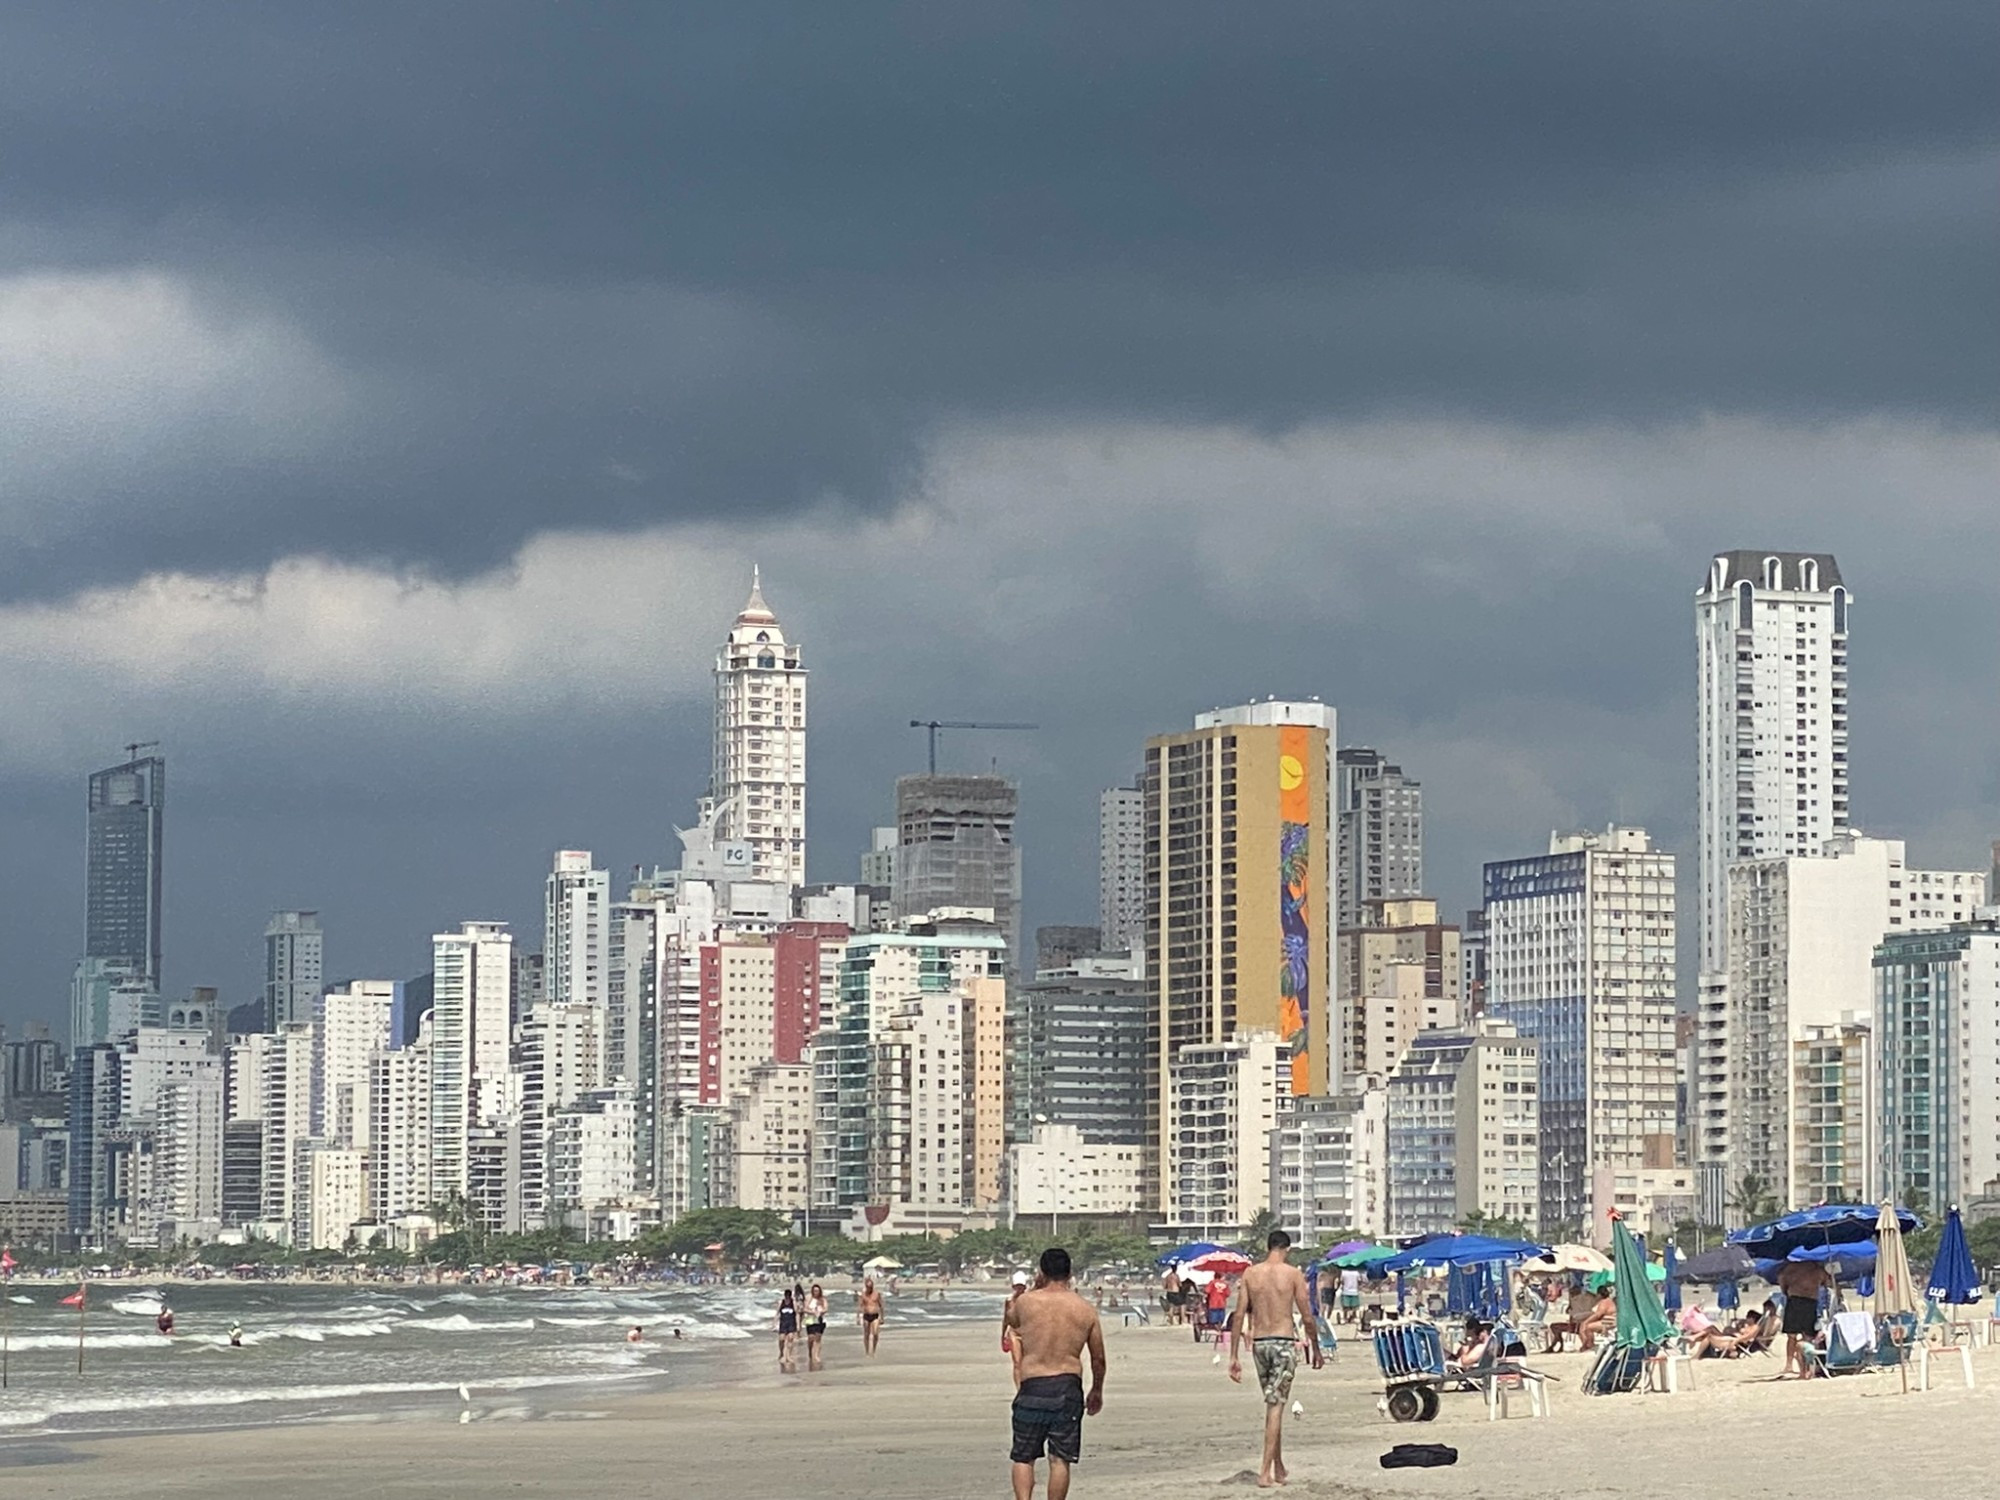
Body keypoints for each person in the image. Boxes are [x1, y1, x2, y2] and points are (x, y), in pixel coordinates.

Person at [1004, 1247, 1105, 1500]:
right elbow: (1098, 1358)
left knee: (1023, 1456)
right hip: (1067, 1386)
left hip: (1032, 1385)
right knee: (1060, 1458)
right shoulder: (1084, 1308)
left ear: (1041, 1271)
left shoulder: (1026, 1302)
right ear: (1070, 1273)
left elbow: (1012, 1321)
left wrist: (1035, 1288)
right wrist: (1097, 1390)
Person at [1227, 1230, 1321, 1491]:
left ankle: (1278, 1466)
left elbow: (1238, 1315)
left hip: (1259, 1345)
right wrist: (1316, 1346)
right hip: (1282, 1343)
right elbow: (1307, 1314)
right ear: (1287, 1249)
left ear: (1268, 1247)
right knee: (1276, 1407)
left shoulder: (1250, 1274)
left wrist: (1233, 1355)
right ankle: (1264, 1472)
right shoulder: (1292, 1274)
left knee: (1273, 1405)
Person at [1776, 1260, 1833, 1377]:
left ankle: (1801, 1365)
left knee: (1802, 1336)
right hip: (1802, 1301)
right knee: (1798, 1335)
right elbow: (1828, 1282)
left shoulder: (1796, 1267)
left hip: (1803, 1301)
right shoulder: (1814, 1268)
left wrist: (1785, 1290)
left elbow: (1781, 1278)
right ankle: (1792, 1365)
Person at [1001, 1270, 1032, 1384]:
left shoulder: (1030, 1299)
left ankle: (1027, 1385)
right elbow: (1006, 1319)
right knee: (1017, 1362)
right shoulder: (1009, 1301)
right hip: (1014, 1333)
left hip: (1028, 1333)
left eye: (1021, 1287)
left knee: (1028, 1362)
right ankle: (1019, 1389)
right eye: (1017, 1287)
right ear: (1013, 1287)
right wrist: (1003, 1335)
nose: (1019, 1289)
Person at [1579, 1286, 1616, 1351]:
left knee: (1588, 1327)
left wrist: (1586, 1322)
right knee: (1586, 1325)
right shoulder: (1608, 1301)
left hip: (1609, 1322)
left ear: (1599, 1294)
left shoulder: (1604, 1302)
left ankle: (1590, 1345)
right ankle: (1588, 1344)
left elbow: (1598, 1314)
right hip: (1609, 1320)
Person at [804, 1283, 829, 1372]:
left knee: (818, 1338)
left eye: (817, 1291)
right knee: (811, 1338)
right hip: (810, 1320)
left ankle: (816, 1355)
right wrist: (812, 1312)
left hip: (820, 1320)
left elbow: (826, 1308)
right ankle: (810, 1352)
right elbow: (804, 1308)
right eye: (814, 1290)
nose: (816, 1292)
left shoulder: (822, 1299)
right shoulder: (809, 1298)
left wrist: (821, 1312)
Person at [858, 1277, 884, 1355]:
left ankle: (873, 1350)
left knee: (875, 1333)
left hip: (875, 1315)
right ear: (866, 1286)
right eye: (868, 1287)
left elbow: (881, 1305)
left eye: (871, 1286)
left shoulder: (877, 1294)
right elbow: (860, 1306)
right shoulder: (863, 1295)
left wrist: (882, 1317)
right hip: (866, 1315)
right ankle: (867, 1351)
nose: (870, 1288)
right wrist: (857, 1317)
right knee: (866, 1334)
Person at [776, 1288, 799, 1372]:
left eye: (789, 1295)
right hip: (783, 1323)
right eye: (786, 1295)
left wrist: (798, 1325)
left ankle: (788, 1355)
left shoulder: (793, 1303)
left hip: (791, 1323)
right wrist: (774, 1323)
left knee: (790, 1339)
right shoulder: (781, 1302)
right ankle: (782, 1353)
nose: (787, 1296)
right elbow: (777, 1314)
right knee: (781, 1339)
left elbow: (796, 1314)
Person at [1204, 1275, 1231, 1347]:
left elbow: (1207, 1291)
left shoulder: (1212, 1282)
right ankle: (1220, 1332)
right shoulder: (1225, 1284)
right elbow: (1228, 1294)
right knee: (1221, 1321)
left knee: (1213, 1321)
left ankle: (1219, 1332)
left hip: (1213, 1304)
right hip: (1222, 1304)